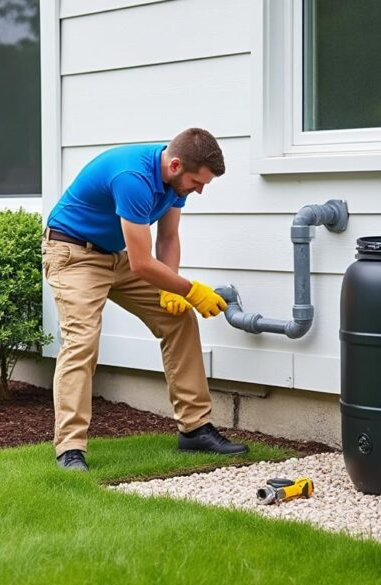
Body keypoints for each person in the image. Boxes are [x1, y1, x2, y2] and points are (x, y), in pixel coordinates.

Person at [42, 127, 248, 472]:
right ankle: (70, 448)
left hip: (114, 256)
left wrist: (171, 290)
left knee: (178, 318)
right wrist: (190, 289)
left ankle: (194, 428)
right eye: (197, 182)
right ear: (176, 165)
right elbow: (141, 263)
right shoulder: (133, 178)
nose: (199, 190)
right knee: (82, 341)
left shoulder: (174, 181)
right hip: (73, 255)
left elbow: (167, 239)